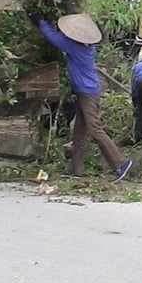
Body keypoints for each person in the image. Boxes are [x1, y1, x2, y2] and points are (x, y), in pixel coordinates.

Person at [32, 12, 132, 182]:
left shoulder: (74, 47)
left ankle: (120, 163)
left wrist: (41, 21)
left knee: (94, 128)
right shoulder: (86, 47)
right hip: (84, 91)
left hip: (88, 93)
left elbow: (53, 37)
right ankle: (75, 169)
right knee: (79, 131)